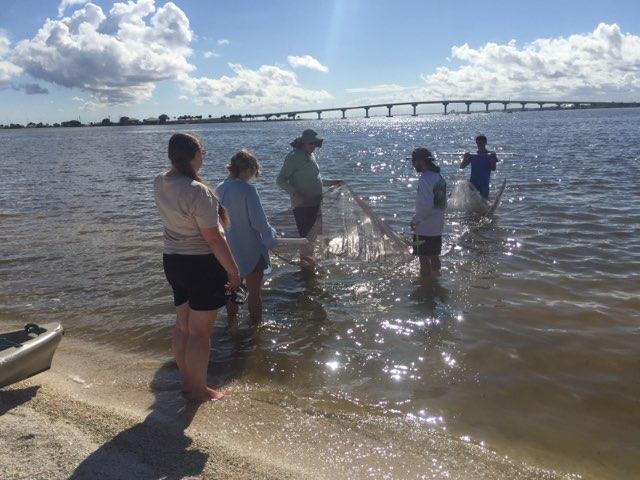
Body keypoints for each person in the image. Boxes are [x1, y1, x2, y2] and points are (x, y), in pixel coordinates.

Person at [154, 133, 241, 403]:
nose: (203, 155)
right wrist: (234, 272)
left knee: (182, 326)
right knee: (200, 332)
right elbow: (213, 238)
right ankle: (200, 390)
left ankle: (187, 382)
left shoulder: (160, 181)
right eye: (202, 151)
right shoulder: (198, 191)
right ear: (194, 155)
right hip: (201, 265)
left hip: (173, 261)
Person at [216, 149, 277, 325]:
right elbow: (259, 223)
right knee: (254, 293)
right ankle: (255, 329)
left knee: (232, 291)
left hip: (227, 250)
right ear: (248, 168)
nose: (253, 175)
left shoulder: (219, 188)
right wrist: (271, 235)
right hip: (250, 249)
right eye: (253, 171)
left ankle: (231, 325)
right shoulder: (247, 190)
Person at [276, 129, 341, 267]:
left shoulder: (310, 155)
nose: (314, 146)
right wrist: (296, 193)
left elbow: (316, 179)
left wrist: (333, 182)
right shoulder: (293, 157)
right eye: (311, 143)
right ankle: (305, 265)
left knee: (315, 236)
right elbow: (280, 180)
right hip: (303, 206)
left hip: (316, 203)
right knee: (306, 238)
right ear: (303, 143)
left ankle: (309, 263)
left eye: (316, 143)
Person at [409, 147, 447, 281]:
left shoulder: (425, 178)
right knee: (434, 256)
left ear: (421, 162)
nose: (414, 165)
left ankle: (426, 288)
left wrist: (415, 221)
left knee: (424, 259)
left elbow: (426, 205)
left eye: (414, 162)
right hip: (437, 227)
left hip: (424, 228)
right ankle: (436, 282)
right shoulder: (438, 177)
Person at [460, 134, 498, 199]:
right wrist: (464, 158)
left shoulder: (490, 154)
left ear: (485, 143)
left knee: (484, 200)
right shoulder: (473, 155)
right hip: (473, 184)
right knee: (472, 202)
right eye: (478, 143)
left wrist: (492, 159)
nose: (480, 145)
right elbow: (462, 167)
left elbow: (493, 169)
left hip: (484, 184)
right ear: (476, 143)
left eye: (482, 143)